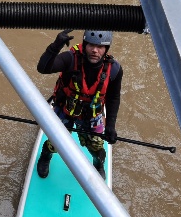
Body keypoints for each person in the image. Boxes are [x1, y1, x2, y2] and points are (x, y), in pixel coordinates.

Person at [35, 29, 122, 179]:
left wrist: (111, 125)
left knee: (96, 147)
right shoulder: (70, 58)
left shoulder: (114, 69)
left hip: (92, 114)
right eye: (91, 45)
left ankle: (98, 163)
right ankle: (46, 155)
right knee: (55, 142)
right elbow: (43, 68)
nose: (95, 50)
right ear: (84, 44)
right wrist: (55, 46)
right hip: (65, 109)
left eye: (100, 47)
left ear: (106, 49)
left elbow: (113, 97)